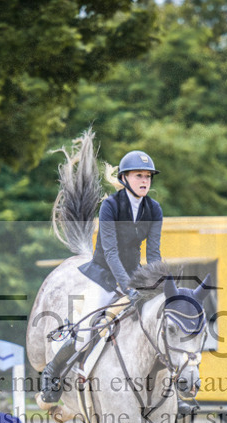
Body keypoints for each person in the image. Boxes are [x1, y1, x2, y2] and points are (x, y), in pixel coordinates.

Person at [37, 150, 164, 406]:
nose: (145, 181)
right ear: (125, 178)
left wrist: (159, 285)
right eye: (139, 176)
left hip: (133, 275)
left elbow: (153, 253)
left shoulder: (154, 209)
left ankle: (172, 390)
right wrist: (127, 287)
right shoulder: (111, 206)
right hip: (104, 275)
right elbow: (111, 251)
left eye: (148, 176)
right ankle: (52, 371)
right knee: (86, 331)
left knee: (158, 325)